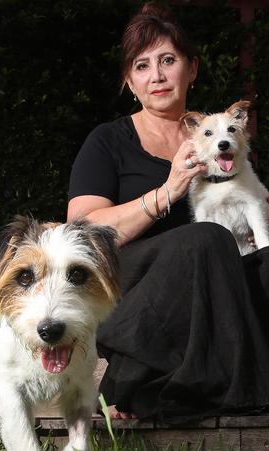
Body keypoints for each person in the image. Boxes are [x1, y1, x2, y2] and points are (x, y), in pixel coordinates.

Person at [67, 2, 269, 422]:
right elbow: (82, 231)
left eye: (167, 60)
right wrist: (166, 192)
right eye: (142, 66)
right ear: (129, 80)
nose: (156, 76)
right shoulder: (107, 141)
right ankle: (149, 382)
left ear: (191, 69)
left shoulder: (215, 135)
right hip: (137, 293)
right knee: (205, 239)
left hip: (213, 286)